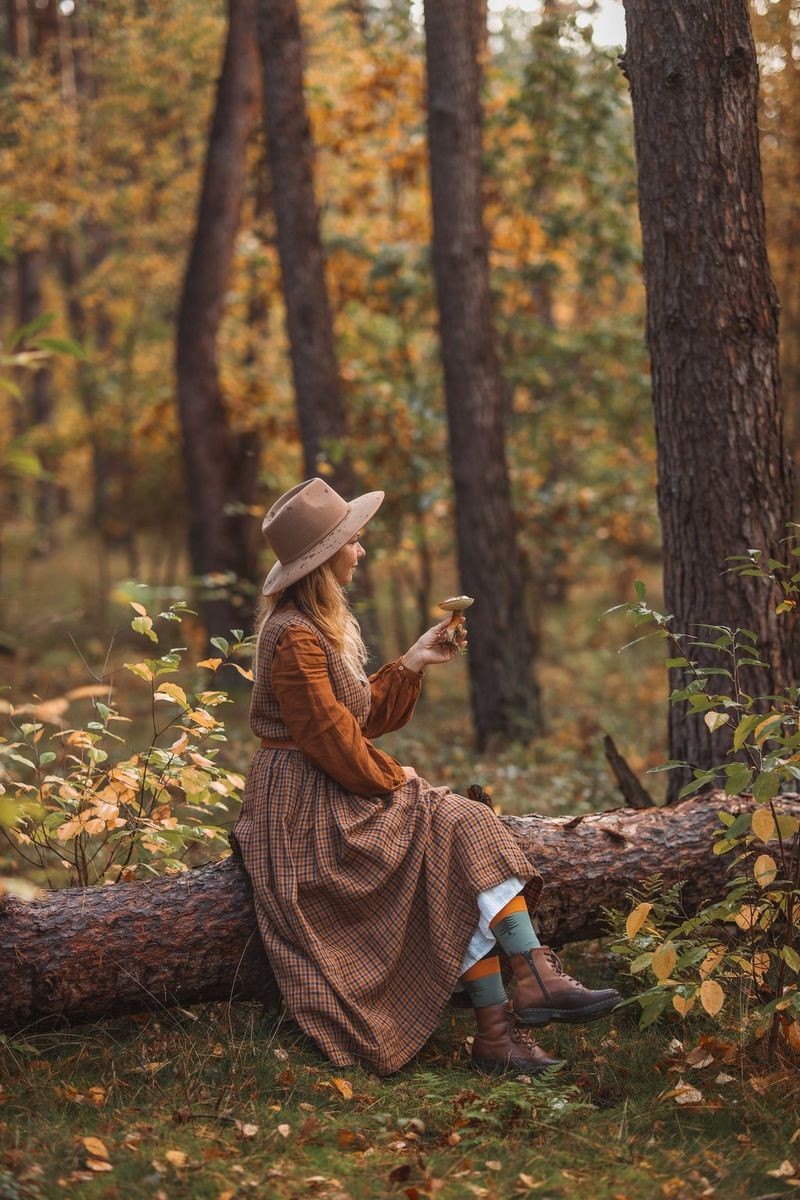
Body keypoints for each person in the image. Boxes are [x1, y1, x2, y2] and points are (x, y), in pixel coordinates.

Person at [232, 477, 619, 1076]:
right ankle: (530, 977)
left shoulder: (314, 626)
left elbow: (352, 719)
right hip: (303, 805)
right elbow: (330, 742)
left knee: (451, 836)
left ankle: (502, 1025)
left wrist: (411, 664)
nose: (361, 551)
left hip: (330, 784)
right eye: (354, 542)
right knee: (453, 824)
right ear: (324, 555)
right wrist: (399, 783)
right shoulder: (292, 636)